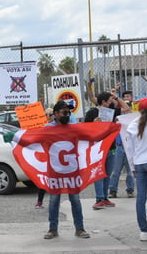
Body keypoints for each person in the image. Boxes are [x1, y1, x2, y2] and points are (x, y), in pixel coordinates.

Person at [44, 100, 90, 239]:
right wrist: (14, 136)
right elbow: (31, 137)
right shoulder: (47, 129)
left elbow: (91, 134)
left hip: (72, 171)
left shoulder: (74, 128)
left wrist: (105, 126)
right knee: (54, 200)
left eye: (69, 112)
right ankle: (53, 229)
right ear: (56, 114)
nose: (67, 114)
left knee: (75, 199)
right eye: (64, 112)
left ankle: (80, 228)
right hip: (55, 172)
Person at [84, 91, 129, 210]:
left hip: (111, 147)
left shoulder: (112, 112)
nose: (111, 103)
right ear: (103, 102)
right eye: (109, 101)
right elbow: (84, 130)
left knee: (107, 173)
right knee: (98, 173)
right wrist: (93, 124)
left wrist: (117, 98)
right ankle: (99, 198)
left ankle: (104, 198)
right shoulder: (92, 113)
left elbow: (126, 108)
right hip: (98, 147)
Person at [125, 97, 147, 241]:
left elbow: (129, 149)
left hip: (138, 163)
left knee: (140, 197)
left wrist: (132, 167)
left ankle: (144, 230)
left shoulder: (132, 125)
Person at [109, 91, 135, 198]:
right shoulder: (118, 116)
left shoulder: (133, 118)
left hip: (129, 146)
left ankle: (130, 189)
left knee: (130, 171)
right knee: (116, 170)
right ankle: (113, 190)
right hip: (119, 145)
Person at [35, 107, 54, 209]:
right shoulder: (41, 128)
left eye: (50, 115)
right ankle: (39, 201)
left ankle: (53, 202)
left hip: (54, 158)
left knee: (54, 181)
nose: (48, 117)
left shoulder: (55, 127)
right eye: (46, 115)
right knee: (43, 180)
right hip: (43, 158)